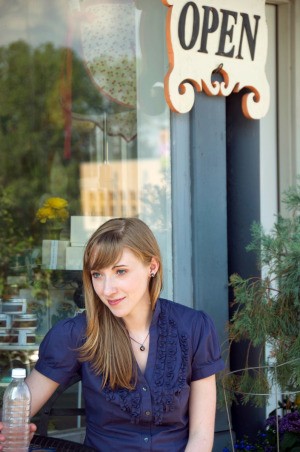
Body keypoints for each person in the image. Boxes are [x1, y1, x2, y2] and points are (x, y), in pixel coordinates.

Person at [0, 217, 224, 451]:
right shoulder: (76, 334)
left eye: (120, 271)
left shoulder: (194, 328)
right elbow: (14, 415)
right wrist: (11, 435)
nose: (107, 289)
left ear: (152, 267)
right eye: (98, 274)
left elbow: (200, 435)